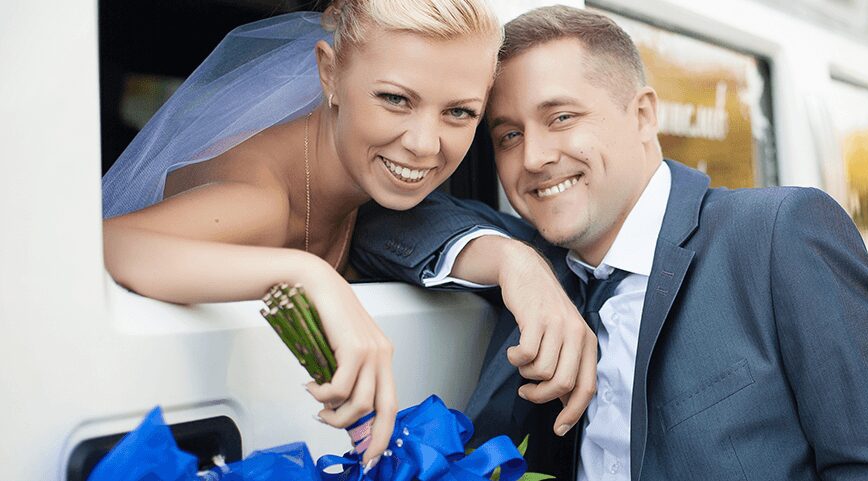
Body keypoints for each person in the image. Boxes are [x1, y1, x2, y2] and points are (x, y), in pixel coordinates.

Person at [351, 5, 868, 480]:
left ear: (643, 115)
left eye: (561, 117)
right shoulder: (535, 258)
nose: (533, 157)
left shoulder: (776, 234)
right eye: (508, 135)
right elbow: (377, 222)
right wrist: (516, 263)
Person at [100, 0, 595, 470]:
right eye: (395, 99)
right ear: (329, 72)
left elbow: (430, 222)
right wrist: (307, 275)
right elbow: (104, 244)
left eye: (459, 112)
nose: (424, 145)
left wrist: (520, 262)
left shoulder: (364, 186)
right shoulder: (261, 200)